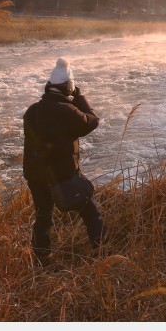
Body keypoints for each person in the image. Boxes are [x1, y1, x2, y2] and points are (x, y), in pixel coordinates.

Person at [23, 57, 106, 264]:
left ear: (49, 86)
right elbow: (92, 121)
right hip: (62, 175)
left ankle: (42, 257)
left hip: (36, 175)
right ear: (69, 88)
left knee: (43, 216)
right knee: (89, 210)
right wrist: (80, 97)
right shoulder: (67, 111)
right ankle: (102, 252)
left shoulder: (32, 111)